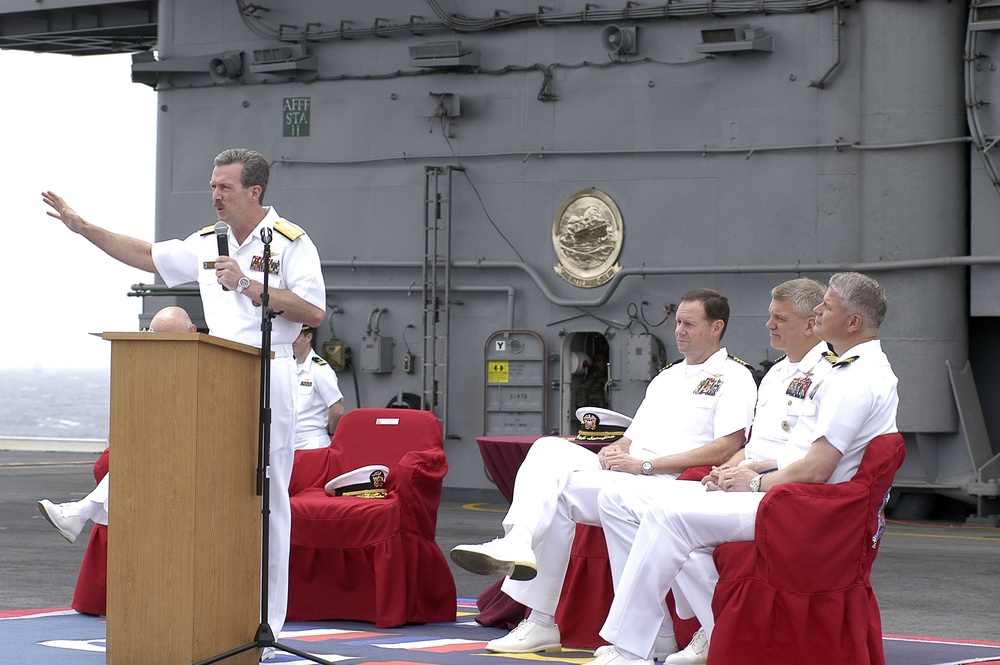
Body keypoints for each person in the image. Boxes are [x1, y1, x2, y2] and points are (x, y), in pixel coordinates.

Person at [42, 148, 326, 656]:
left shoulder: (289, 243)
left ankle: (269, 624)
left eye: (226, 187)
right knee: (171, 456)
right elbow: (147, 255)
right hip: (216, 369)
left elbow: (313, 312)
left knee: (271, 499)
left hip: (271, 368)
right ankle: (194, 595)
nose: (215, 195)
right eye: (213, 185)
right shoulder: (203, 243)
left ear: (254, 192)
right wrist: (84, 228)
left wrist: (250, 286)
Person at [590, 272, 899, 665]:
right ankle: (698, 633)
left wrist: (753, 482)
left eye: (828, 307)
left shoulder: (854, 378)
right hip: (798, 495)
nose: (820, 310)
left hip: (807, 508)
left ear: (853, 322)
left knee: (668, 516)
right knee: (652, 511)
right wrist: (741, 471)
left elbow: (818, 469)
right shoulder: (855, 370)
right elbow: (797, 453)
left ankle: (636, 646)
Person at [451, 288, 758, 655]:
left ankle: (647, 631)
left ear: (716, 327)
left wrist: (644, 464)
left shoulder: (734, 376)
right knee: (548, 451)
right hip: (634, 472)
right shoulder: (667, 377)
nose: (679, 330)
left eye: (689, 324)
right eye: (677, 321)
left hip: (672, 484)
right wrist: (619, 449)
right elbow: (634, 435)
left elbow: (725, 447)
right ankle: (530, 582)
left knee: (589, 498)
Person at [37, 306, 198, 542]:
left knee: (132, 461)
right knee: (127, 459)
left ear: (192, 331)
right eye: (154, 336)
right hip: (155, 455)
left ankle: (79, 512)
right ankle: (79, 513)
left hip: (187, 458)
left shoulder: (206, 368)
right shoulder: (148, 370)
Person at [292, 324, 345, 450]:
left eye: (296, 336)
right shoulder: (290, 367)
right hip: (291, 442)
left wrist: (331, 433)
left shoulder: (320, 369)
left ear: (308, 337)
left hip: (312, 442)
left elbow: (337, 409)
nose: (292, 341)